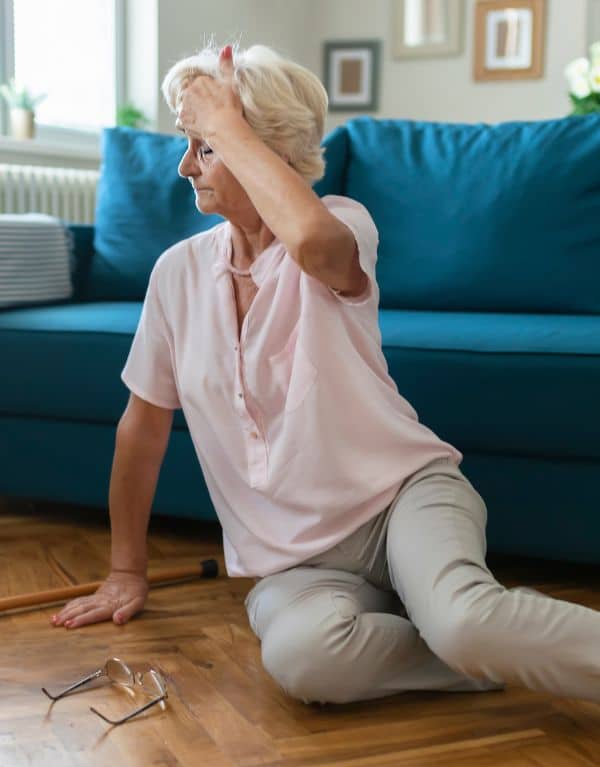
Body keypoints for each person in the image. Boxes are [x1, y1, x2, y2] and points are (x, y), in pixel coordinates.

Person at [51, 40, 600, 708]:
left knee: (465, 619)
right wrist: (124, 569)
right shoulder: (177, 275)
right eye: (190, 143)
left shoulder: (341, 223)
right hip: (293, 562)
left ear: (265, 147)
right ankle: (491, 652)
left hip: (403, 500)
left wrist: (227, 121)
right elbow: (142, 429)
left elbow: (310, 244)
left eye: (205, 146)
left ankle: (473, 630)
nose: (184, 165)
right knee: (306, 663)